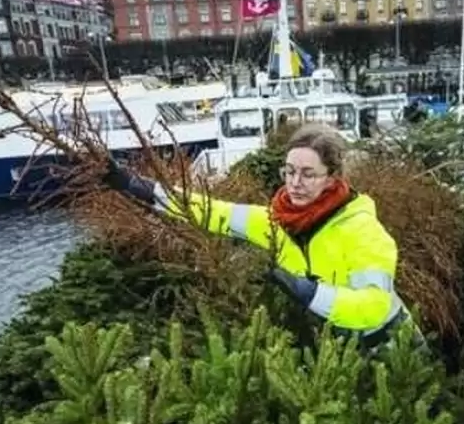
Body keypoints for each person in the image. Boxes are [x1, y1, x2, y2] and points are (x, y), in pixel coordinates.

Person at [104, 122, 412, 351]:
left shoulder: (361, 229)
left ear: (332, 178)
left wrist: (311, 294)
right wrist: (142, 188)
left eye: (308, 174)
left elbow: (375, 307)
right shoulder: (275, 220)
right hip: (335, 347)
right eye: (289, 171)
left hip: (391, 346)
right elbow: (214, 212)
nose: (294, 183)